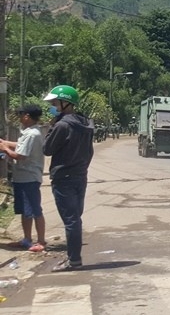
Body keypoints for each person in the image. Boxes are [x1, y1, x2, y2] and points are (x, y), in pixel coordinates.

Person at [42, 85, 94, 272]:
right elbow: (90, 152)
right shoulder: (86, 123)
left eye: (55, 103)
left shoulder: (62, 125)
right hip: (80, 175)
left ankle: (73, 260)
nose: (52, 106)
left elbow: (47, 149)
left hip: (63, 177)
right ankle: (73, 258)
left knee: (71, 220)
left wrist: (51, 126)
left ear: (65, 103)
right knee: (75, 218)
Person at [0, 105, 47, 252]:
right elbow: (20, 146)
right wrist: (6, 143)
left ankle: (41, 241)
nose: (19, 117)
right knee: (25, 211)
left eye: (21, 114)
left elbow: (20, 156)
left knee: (34, 210)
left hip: (29, 177)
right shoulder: (29, 133)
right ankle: (27, 238)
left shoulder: (32, 134)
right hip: (21, 177)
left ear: (27, 116)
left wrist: (5, 149)